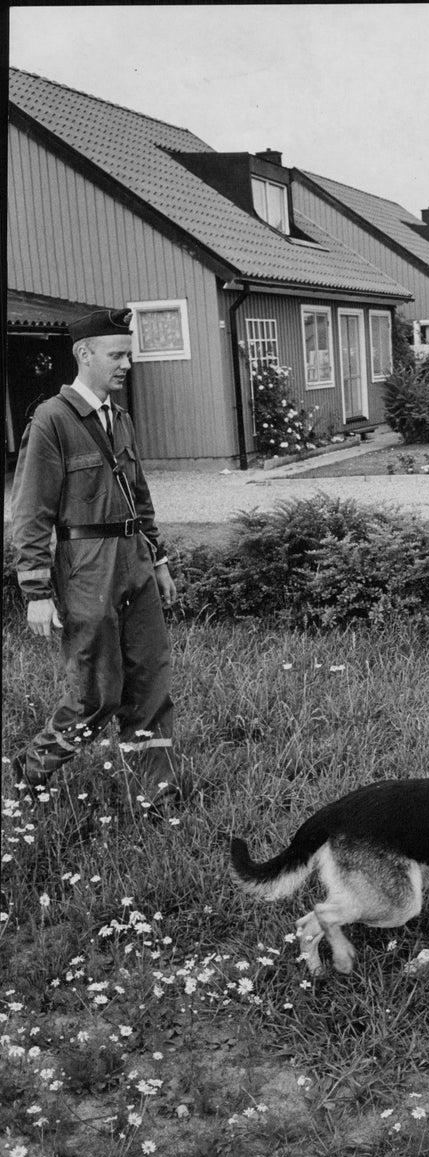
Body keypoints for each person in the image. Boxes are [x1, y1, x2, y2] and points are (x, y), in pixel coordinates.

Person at [10, 307, 181, 816]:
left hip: (135, 562)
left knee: (151, 680)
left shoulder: (120, 418)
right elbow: (31, 511)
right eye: (117, 355)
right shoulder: (52, 420)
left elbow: (140, 500)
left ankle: (156, 792)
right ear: (85, 355)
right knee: (97, 693)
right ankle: (34, 767)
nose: (127, 364)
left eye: (129, 354)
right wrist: (37, 592)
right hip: (87, 567)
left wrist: (160, 561)